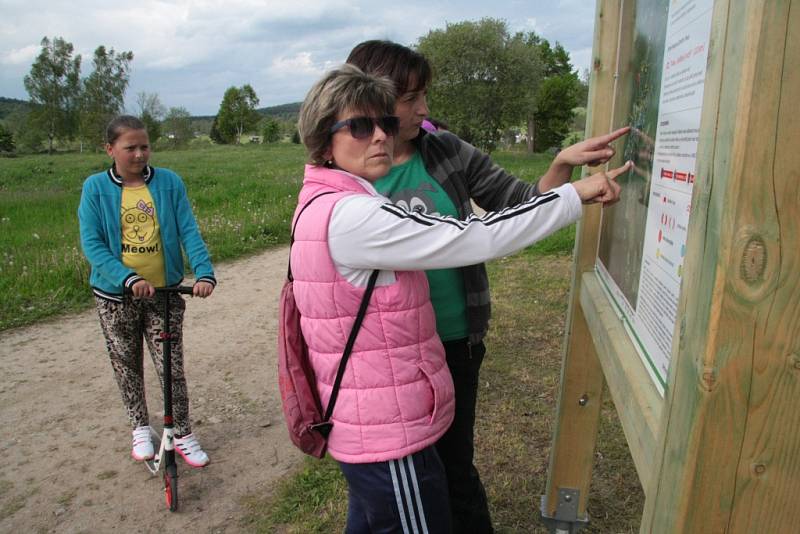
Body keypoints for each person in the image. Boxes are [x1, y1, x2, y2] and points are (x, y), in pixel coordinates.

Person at [291, 63, 628, 533]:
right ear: (323, 139)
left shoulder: (322, 200)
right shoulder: (353, 215)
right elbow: (476, 237)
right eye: (361, 126)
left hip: (369, 419)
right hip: (389, 433)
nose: (380, 137)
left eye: (386, 123)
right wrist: (574, 196)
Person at [78, 115, 216, 467]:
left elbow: (188, 230)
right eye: (130, 148)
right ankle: (140, 427)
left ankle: (182, 432)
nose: (139, 154)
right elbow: (92, 244)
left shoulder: (169, 183)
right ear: (110, 150)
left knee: (171, 365)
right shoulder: (95, 188)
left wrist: (204, 272)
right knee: (127, 364)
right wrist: (127, 278)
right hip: (116, 297)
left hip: (164, 293)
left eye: (144, 146)